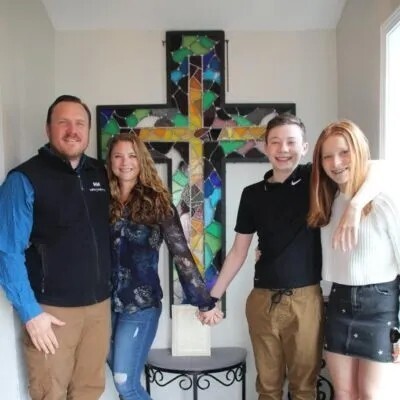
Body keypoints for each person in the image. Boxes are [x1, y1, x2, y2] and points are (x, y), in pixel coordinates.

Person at [198, 114, 382, 400]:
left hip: (305, 301)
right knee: (267, 388)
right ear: (265, 147)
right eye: (275, 142)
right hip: (261, 301)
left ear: (305, 147)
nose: (283, 149)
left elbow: (379, 168)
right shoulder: (252, 195)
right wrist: (212, 298)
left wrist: (356, 206)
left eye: (291, 142)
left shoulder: (317, 179)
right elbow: (238, 251)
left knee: (304, 388)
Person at [0, 95, 112, 400]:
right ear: (48, 128)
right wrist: (31, 314)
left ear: (88, 130)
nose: (72, 130)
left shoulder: (100, 173)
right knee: (50, 393)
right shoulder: (24, 178)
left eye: (80, 124)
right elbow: (7, 251)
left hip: (99, 309)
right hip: (51, 313)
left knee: (89, 392)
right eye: (63, 123)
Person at [105, 132, 223, 400]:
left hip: (140, 306)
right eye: (118, 156)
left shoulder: (157, 202)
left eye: (132, 155)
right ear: (110, 161)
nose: (125, 162)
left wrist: (204, 302)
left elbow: (180, 254)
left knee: (125, 384)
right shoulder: (102, 200)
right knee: (122, 377)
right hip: (102, 305)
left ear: (141, 160)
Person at [308, 120, 400, 399]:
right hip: (339, 301)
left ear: (359, 151)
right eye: (327, 156)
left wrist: (357, 205)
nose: (336, 163)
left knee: (372, 394)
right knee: (345, 392)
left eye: (344, 152)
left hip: (381, 305)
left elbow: (385, 166)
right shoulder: (328, 201)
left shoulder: (383, 197)